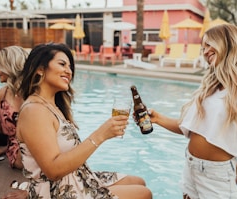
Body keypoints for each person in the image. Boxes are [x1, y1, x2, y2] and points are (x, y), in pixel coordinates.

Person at [146, 24, 237, 199]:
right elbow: (193, 130)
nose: (205, 51)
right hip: (191, 166)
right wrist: (158, 118)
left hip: (219, 177)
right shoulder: (213, 86)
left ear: (230, 44)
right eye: (203, 47)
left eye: (210, 45)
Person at [15, 43, 152, 198]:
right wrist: (101, 135)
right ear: (40, 68)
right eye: (62, 64)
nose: (69, 71)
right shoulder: (34, 111)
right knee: (144, 194)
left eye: (70, 66)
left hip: (77, 177)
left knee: (138, 181)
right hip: (59, 191)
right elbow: (53, 171)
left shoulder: (51, 105)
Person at [0, 46, 28, 169]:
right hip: (17, 157)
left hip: (40, 149)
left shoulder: (35, 93)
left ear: (11, 66)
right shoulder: (0, 96)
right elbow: (5, 132)